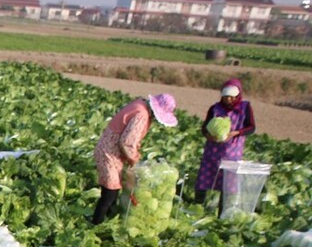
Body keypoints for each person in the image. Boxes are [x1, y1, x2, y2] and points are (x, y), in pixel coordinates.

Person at [91, 93, 178, 225]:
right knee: (110, 192)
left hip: (109, 150)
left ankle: (106, 220)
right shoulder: (141, 114)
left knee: (111, 190)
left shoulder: (139, 105)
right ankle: (96, 223)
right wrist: (134, 160)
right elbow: (126, 142)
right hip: (109, 153)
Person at [195, 79, 256, 208]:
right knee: (204, 179)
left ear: (237, 96)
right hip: (213, 151)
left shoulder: (245, 108)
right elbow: (204, 128)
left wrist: (235, 133)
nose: (228, 100)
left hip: (232, 151)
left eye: (231, 97)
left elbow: (251, 127)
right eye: (225, 97)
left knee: (227, 183)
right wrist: (209, 136)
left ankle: (222, 211)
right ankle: (198, 206)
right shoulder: (215, 108)